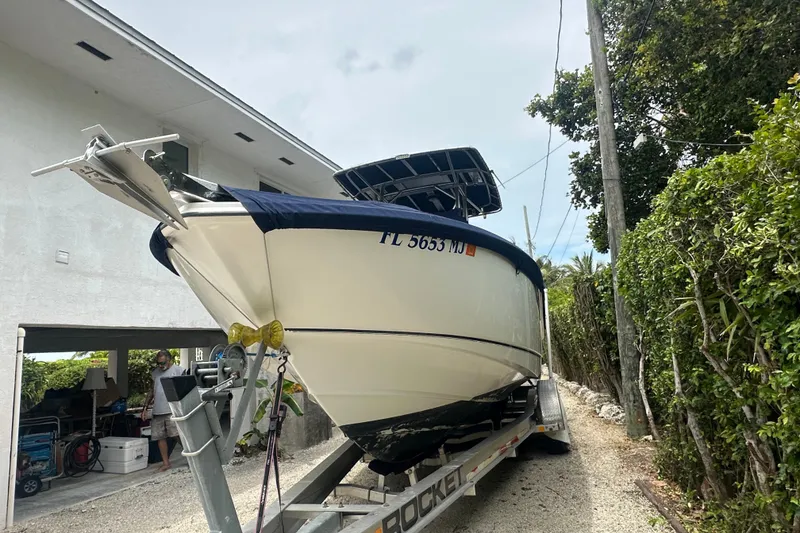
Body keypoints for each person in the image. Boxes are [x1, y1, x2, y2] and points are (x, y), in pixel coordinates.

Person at [141, 349, 185, 472]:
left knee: (176, 434)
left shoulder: (178, 370)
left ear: (169, 360)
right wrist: (145, 408)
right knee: (160, 437)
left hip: (172, 408)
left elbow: (184, 388)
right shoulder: (155, 373)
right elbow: (152, 391)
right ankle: (166, 463)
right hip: (157, 410)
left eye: (163, 363)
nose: (161, 366)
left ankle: (191, 454)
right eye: (159, 363)